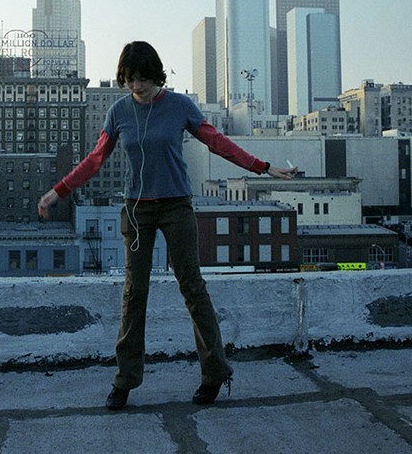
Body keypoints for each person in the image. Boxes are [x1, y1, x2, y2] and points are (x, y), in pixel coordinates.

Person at [38, 41, 297, 410]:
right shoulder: (119, 111)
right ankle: (125, 380)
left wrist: (264, 167)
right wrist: (56, 192)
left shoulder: (180, 106)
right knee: (134, 294)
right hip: (137, 211)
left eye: (142, 79)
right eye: (129, 80)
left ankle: (215, 373)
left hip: (176, 206)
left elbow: (217, 143)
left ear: (156, 75)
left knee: (192, 287)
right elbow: (95, 161)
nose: (136, 87)